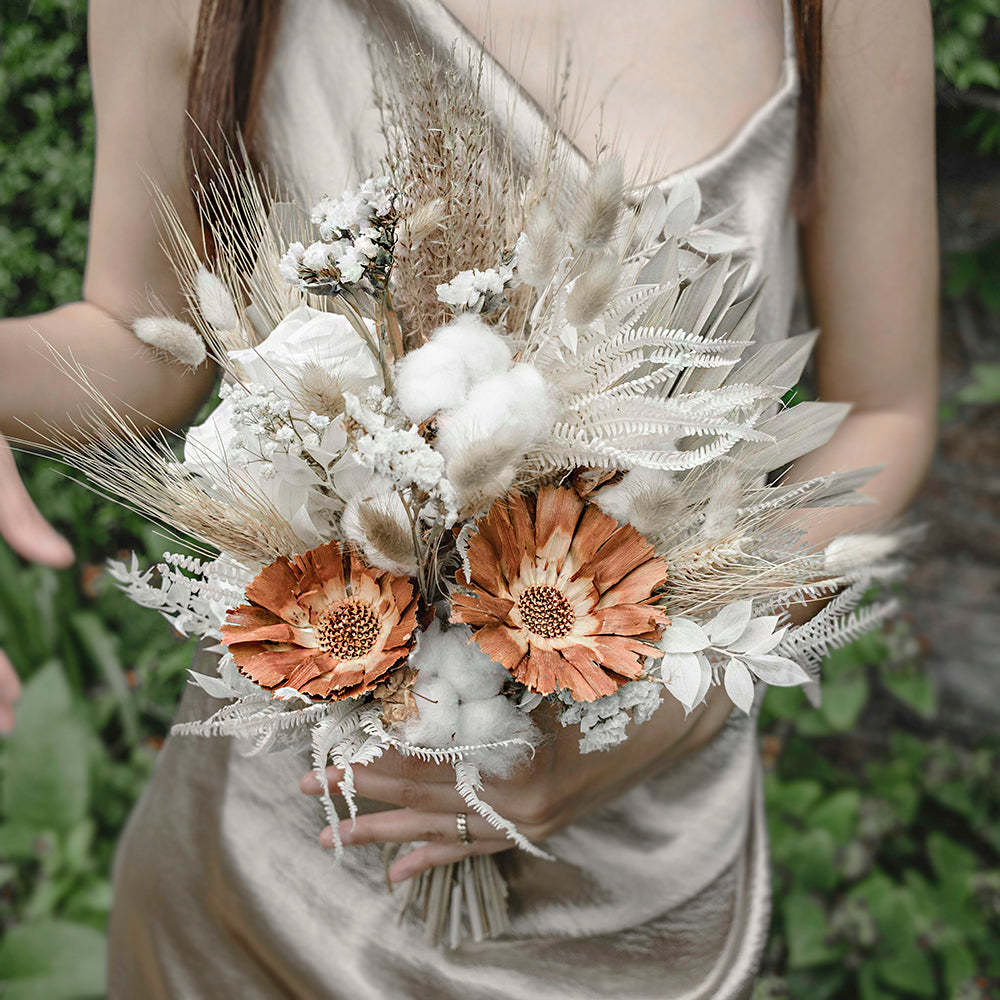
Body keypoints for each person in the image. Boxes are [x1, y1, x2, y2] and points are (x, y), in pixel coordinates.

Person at [0, 0, 937, 996]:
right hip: (263, 880)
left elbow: (887, 412)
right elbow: (133, 337)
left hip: (632, 904)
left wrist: (658, 718)